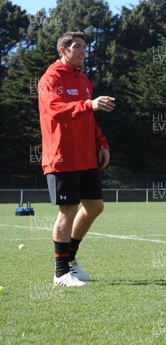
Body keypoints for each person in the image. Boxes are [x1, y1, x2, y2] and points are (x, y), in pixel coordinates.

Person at [38, 31, 116, 287]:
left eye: (85, 47)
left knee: (95, 206)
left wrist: (101, 143)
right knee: (68, 210)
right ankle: (60, 272)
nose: (83, 51)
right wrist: (88, 105)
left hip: (86, 157)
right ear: (63, 50)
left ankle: (70, 260)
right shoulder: (50, 78)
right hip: (61, 157)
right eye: (78, 47)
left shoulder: (84, 81)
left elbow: (88, 118)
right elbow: (55, 111)